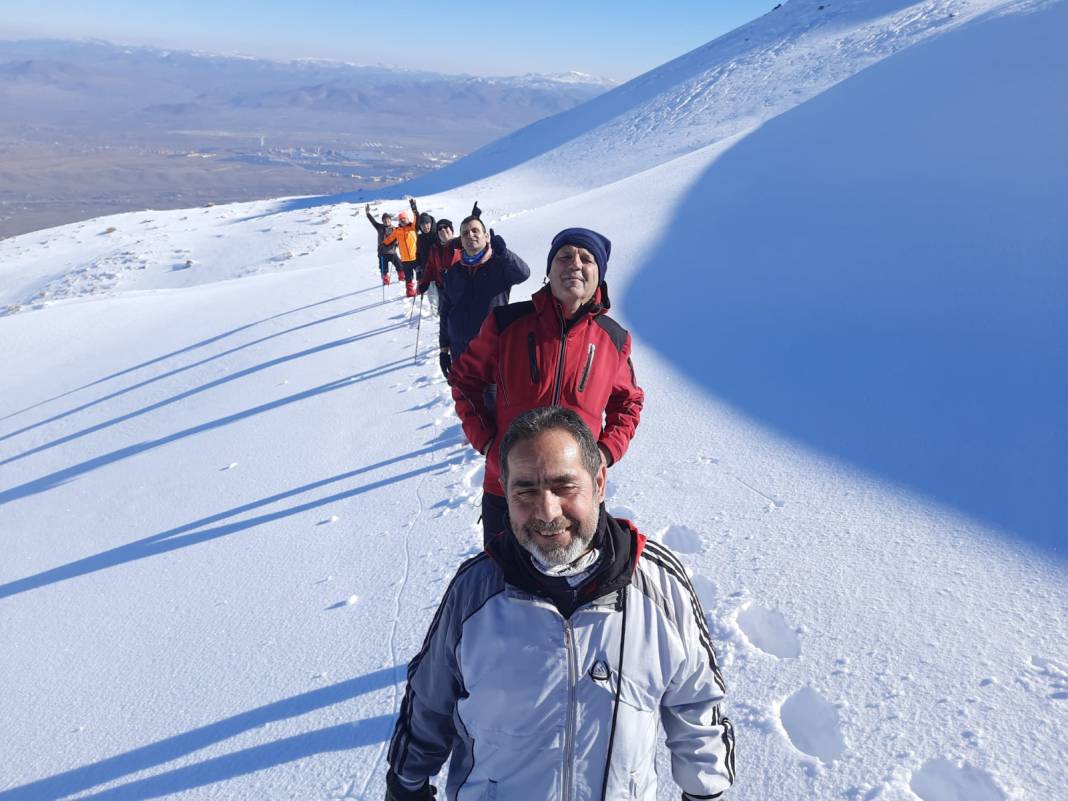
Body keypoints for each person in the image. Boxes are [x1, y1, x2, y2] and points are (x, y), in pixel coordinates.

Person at [384, 407, 735, 801]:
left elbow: (697, 704)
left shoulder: (659, 586)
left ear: (599, 483)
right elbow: (430, 699)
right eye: (525, 490)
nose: (547, 511)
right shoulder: (474, 593)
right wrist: (407, 783)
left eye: (564, 486)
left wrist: (704, 791)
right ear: (505, 492)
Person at [449, 227, 643, 544]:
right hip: (510, 489)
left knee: (576, 587)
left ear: (600, 274)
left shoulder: (614, 339)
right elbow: (464, 379)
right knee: (504, 585)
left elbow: (628, 404)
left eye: (586, 259)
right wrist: (487, 443)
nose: (575, 264)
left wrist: (604, 453)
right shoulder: (506, 323)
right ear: (549, 271)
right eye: (564, 257)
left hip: (577, 496)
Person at [438, 202, 530, 379]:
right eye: (465, 233)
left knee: (492, 403)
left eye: (475, 231)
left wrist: (505, 254)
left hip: (491, 352)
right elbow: (446, 311)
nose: (470, 235)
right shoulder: (454, 271)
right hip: (460, 353)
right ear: (461, 241)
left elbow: (523, 274)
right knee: (465, 403)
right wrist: (444, 349)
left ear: (486, 236)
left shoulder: (499, 265)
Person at [416, 219, 461, 315]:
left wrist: (475, 217)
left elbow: (473, 241)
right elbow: (430, 267)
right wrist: (424, 283)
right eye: (439, 228)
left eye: (445, 227)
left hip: (460, 289)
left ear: (451, 230)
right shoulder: (435, 248)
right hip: (442, 288)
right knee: (444, 315)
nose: (443, 230)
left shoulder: (461, 244)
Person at [384, 204, 420, 297]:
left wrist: (415, 211)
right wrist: (383, 244)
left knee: (420, 274)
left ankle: (421, 289)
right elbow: (390, 238)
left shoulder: (412, 227)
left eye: (404, 218)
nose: (403, 220)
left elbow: (417, 220)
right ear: (399, 221)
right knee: (408, 277)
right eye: (401, 219)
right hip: (405, 259)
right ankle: (410, 292)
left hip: (415, 257)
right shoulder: (397, 231)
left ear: (407, 219)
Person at [365, 204, 403, 286]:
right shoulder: (380, 227)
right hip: (382, 253)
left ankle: (402, 277)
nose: (386, 221)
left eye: (388, 220)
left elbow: (399, 239)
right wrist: (368, 213)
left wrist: (397, 243)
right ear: (382, 221)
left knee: (399, 265)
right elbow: (373, 221)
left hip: (392, 252)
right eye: (384, 220)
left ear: (390, 220)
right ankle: (385, 280)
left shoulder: (395, 229)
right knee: (383, 269)